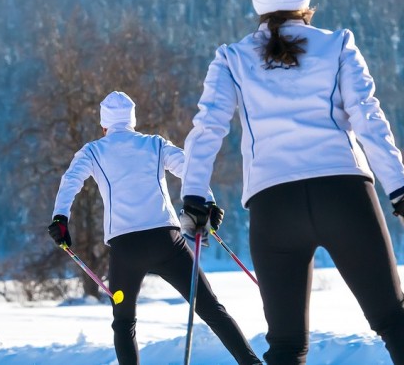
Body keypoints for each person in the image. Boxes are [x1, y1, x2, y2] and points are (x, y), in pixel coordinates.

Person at [178, 0, 404, 365]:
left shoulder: (232, 58)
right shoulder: (338, 45)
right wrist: (401, 191)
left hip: (273, 206)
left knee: (286, 346)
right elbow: (369, 120)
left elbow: (207, 129)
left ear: (258, 3)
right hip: (345, 196)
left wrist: (194, 197)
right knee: (393, 319)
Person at [48, 91, 262, 365]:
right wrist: (206, 203)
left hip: (127, 248)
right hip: (167, 241)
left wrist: (60, 219)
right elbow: (189, 168)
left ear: (104, 125)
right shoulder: (154, 144)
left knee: (124, 323)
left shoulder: (93, 151)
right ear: (132, 121)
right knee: (211, 309)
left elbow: (70, 181)